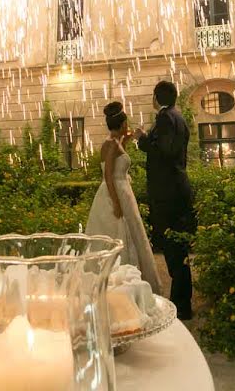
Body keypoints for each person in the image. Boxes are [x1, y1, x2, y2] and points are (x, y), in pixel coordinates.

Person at [85, 101, 162, 294]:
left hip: (122, 189)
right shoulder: (111, 145)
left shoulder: (116, 142)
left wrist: (131, 136)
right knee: (120, 233)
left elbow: (122, 149)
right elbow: (108, 176)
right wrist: (117, 203)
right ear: (121, 124)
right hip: (116, 191)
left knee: (131, 233)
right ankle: (122, 282)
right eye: (125, 124)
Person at [133, 80, 195, 320]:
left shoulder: (165, 118)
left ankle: (181, 305)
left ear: (157, 98)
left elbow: (164, 151)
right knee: (178, 249)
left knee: (173, 249)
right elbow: (169, 148)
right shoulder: (178, 117)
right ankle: (182, 302)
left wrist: (142, 139)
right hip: (177, 190)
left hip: (168, 193)